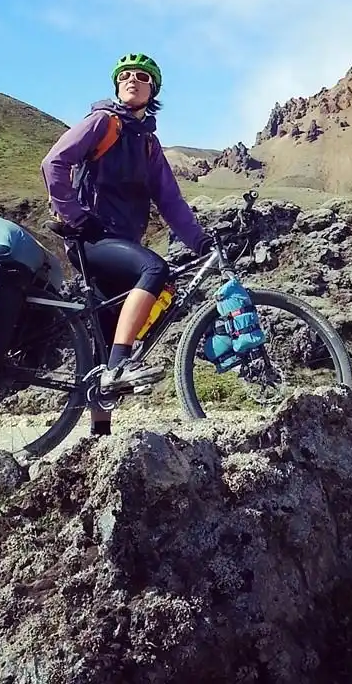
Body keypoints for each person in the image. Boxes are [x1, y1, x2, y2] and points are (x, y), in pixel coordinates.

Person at [40, 53, 211, 436]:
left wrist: (199, 241)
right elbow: (53, 163)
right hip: (92, 240)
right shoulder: (104, 122)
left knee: (104, 341)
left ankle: (100, 435)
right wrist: (75, 216)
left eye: (142, 76)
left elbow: (171, 202)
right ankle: (121, 364)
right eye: (126, 75)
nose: (133, 80)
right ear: (118, 85)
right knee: (154, 269)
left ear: (153, 90)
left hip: (119, 243)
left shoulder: (148, 144)